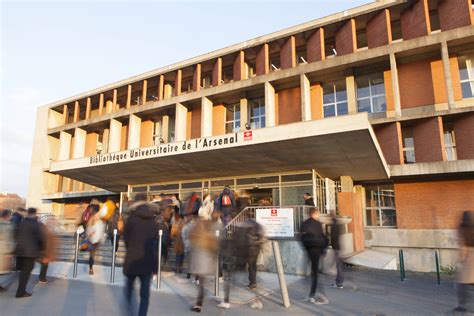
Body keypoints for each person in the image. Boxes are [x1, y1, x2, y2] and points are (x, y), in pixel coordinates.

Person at [123, 194, 158, 316]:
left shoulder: (131, 219)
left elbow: (126, 240)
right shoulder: (152, 220)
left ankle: (129, 311)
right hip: (147, 261)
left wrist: (131, 249)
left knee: (128, 290)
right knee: (144, 295)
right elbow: (154, 244)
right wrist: (155, 265)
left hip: (132, 260)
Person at [189, 215, 219, 313]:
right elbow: (214, 248)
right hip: (206, 263)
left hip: (200, 263)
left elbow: (191, 238)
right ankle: (199, 302)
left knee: (201, 284)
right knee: (201, 283)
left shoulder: (198, 235)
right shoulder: (209, 235)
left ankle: (198, 304)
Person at [14, 208, 46, 298]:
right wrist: (42, 249)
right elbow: (41, 239)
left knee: (23, 272)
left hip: (20, 251)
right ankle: (20, 292)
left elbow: (15, 235)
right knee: (26, 272)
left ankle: (21, 290)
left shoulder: (21, 223)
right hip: (30, 252)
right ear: (35, 214)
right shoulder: (37, 225)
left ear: (28, 213)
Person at [301, 207, 329, 305]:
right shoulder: (318, 224)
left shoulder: (304, 223)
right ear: (314, 214)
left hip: (309, 250)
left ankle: (312, 293)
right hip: (317, 250)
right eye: (318, 214)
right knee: (315, 273)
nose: (318, 215)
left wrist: (305, 248)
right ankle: (314, 294)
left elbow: (301, 237)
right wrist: (324, 250)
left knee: (313, 271)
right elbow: (323, 237)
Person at [454, 210, 474, 313]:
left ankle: (462, 305)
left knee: (460, 284)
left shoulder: (463, 229)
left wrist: (460, 261)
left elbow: (462, 248)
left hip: (469, 260)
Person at [85, 204, 104, 275]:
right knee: (92, 255)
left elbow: (101, 231)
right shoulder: (92, 221)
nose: (97, 216)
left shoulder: (100, 222)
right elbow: (88, 231)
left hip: (96, 241)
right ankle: (90, 269)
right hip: (92, 240)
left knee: (92, 254)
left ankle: (91, 268)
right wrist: (91, 233)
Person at [0, 209, 14, 291]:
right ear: (7, 216)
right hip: (3, 251)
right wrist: (9, 252)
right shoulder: (7, 225)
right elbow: (8, 240)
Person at [330, 213, 344, 289]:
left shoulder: (334, 225)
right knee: (338, 265)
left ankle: (339, 283)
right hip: (337, 247)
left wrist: (332, 245)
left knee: (338, 266)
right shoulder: (337, 224)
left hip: (336, 248)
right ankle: (339, 282)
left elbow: (334, 237)